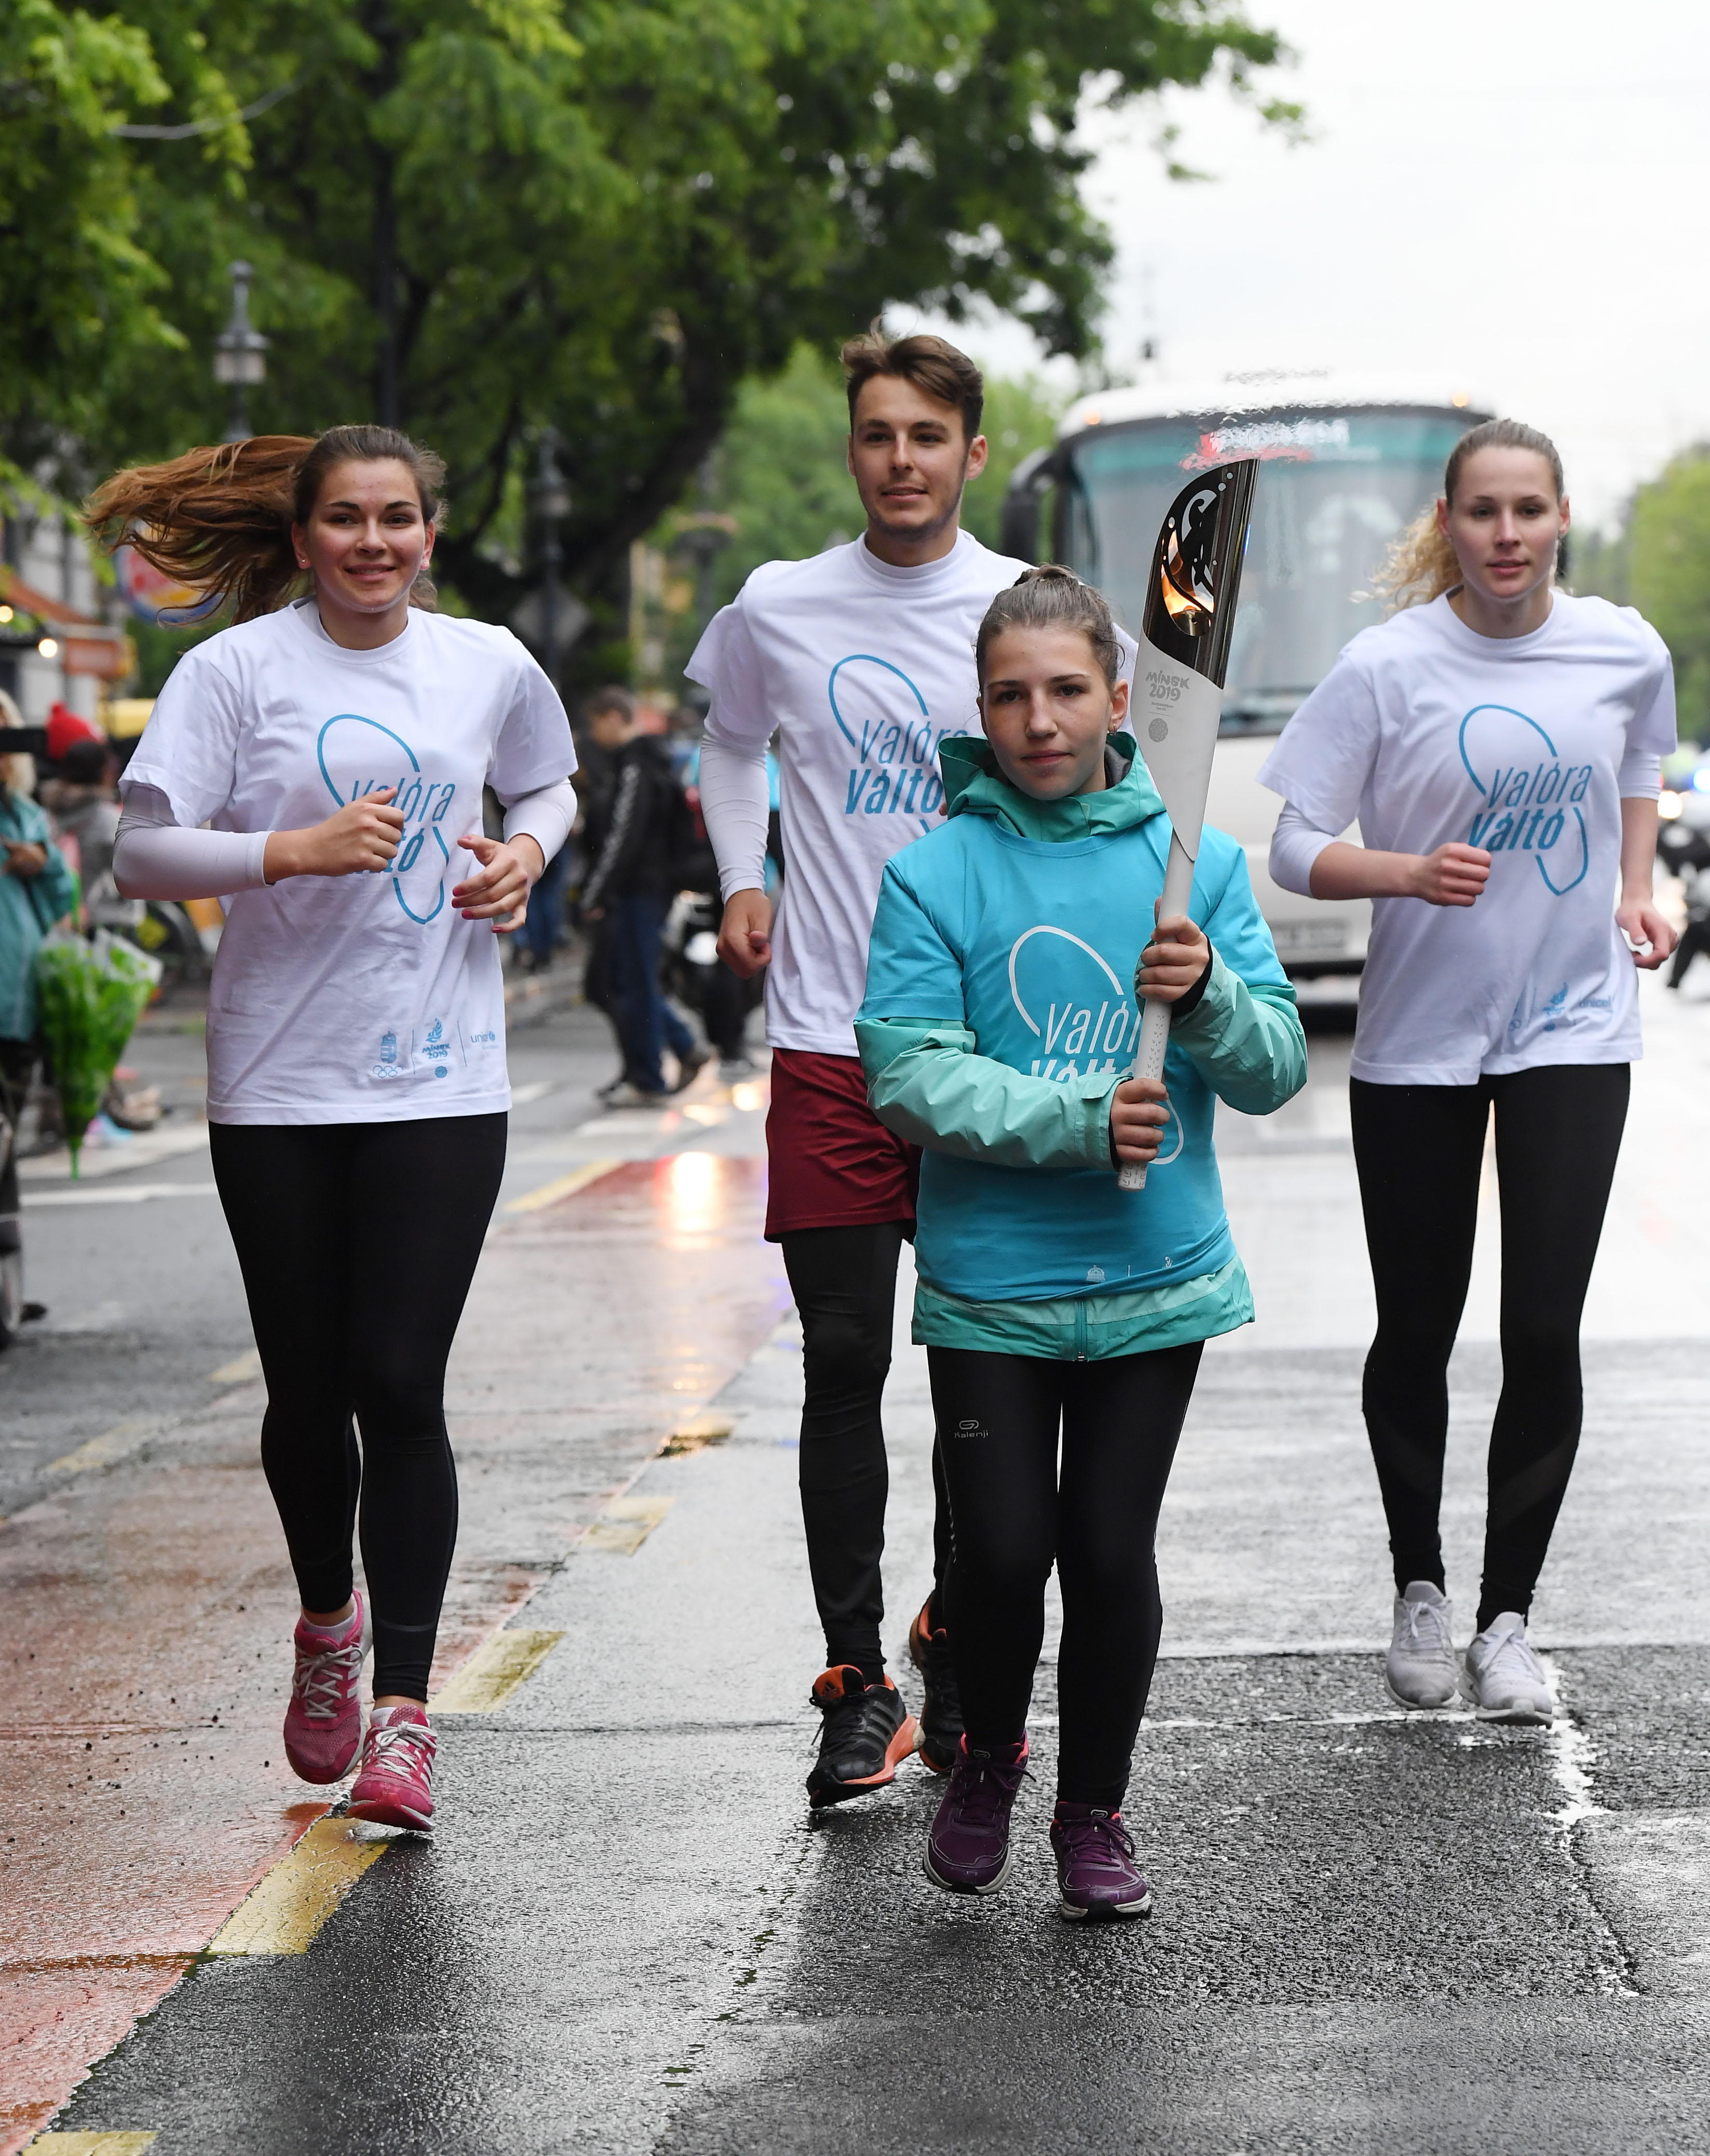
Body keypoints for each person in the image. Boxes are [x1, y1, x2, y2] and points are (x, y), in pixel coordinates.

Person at [93, 425, 577, 1830]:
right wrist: (287, 852)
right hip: (278, 1085)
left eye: (398, 518)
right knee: (307, 1394)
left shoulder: (487, 662)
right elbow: (138, 854)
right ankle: (327, 1622)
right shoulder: (234, 672)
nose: (375, 542)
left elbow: (548, 783)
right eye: (348, 520)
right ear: (303, 538)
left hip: (439, 1081)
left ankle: (406, 1718)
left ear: (431, 533)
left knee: (400, 1381)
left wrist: (523, 853)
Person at [690, 331, 1132, 1808]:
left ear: (970, 454)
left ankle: (953, 1637)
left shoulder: (1015, 611)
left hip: (978, 1055)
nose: (900, 460)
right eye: (877, 434)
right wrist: (742, 874)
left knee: (970, 1380)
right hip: (828, 1039)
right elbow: (729, 745)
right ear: (852, 448)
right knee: (840, 1359)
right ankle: (852, 1677)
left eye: (926, 437)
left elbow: (1094, 773)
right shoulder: (777, 605)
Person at [858, 567, 1305, 1916]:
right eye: (1009, 696)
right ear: (980, 709)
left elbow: (1275, 1069)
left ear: (1119, 698)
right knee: (1000, 1558)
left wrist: (1208, 993)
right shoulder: (931, 874)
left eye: (1065, 691)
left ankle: (1093, 1811)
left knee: (1108, 1555)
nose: (1038, 721)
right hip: (992, 1286)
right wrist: (1078, 1119)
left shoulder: (1194, 863)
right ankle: (989, 1753)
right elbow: (907, 1078)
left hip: (1153, 1279)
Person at [1259, 417, 1677, 1724]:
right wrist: (1403, 872)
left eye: (1527, 511)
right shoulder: (1386, 667)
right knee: (1418, 1327)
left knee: (1543, 1327)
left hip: (1573, 1027)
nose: (1506, 535)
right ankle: (1419, 1589)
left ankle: (1507, 1621)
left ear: (1561, 519)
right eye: (1482, 512)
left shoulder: (1623, 649)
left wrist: (1635, 886)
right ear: (1448, 523)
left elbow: (1641, 762)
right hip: (1418, 1042)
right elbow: (1292, 843)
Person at [578, 690, 711, 1105]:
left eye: (596, 723)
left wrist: (595, 892)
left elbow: (624, 836)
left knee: (632, 981)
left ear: (613, 717)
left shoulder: (636, 766)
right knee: (620, 981)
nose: (594, 735)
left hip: (638, 890)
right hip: (641, 889)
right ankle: (674, 1051)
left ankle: (650, 1075)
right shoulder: (643, 762)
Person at [1, 692, 77, 1310]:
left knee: (5, 1147)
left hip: (15, 1009)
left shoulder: (23, 815)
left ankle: (6, 1287)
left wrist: (43, 863)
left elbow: (61, 900)